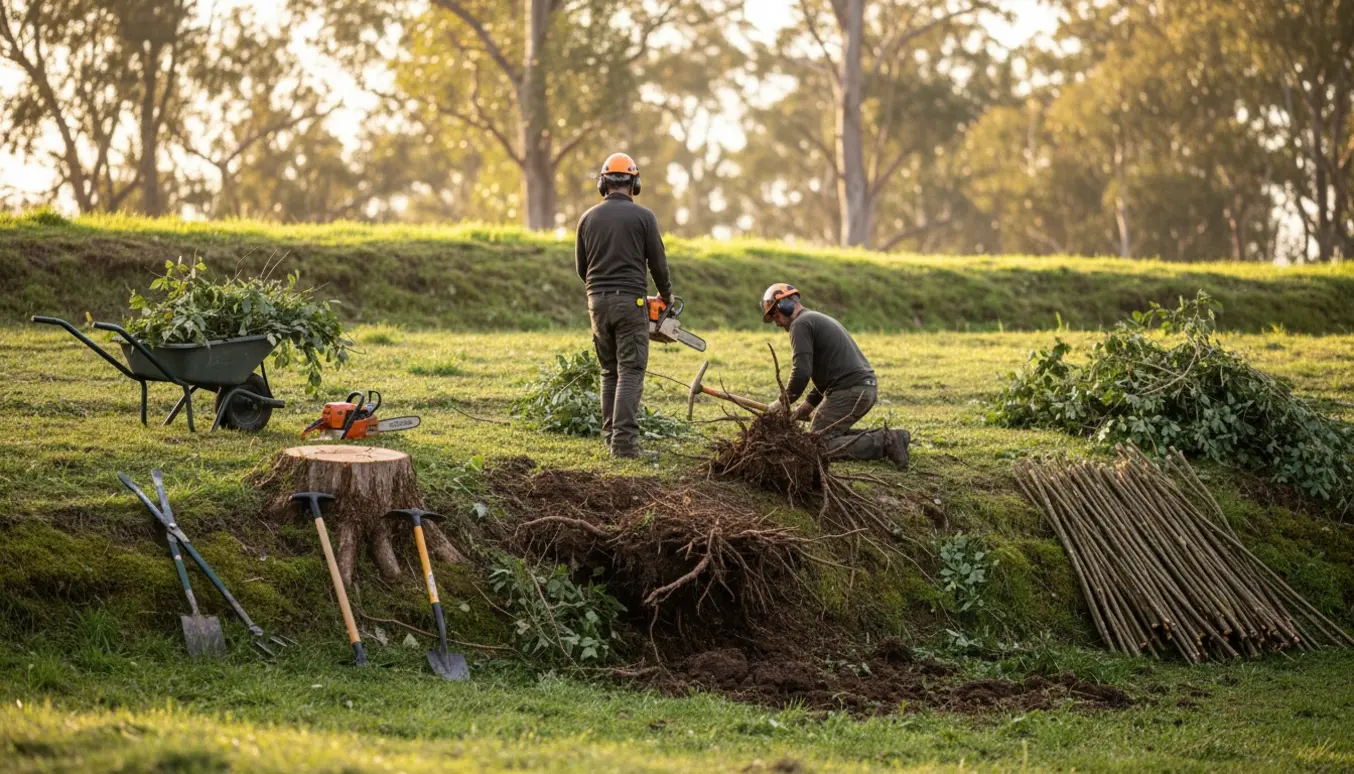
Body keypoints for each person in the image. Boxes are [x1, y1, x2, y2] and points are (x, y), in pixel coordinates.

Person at [575, 152, 672, 458]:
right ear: (634, 183)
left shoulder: (587, 218)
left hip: (596, 302)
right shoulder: (644, 217)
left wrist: (600, 291)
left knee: (609, 371)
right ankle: (625, 445)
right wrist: (666, 296)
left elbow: (581, 268)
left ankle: (610, 438)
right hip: (630, 302)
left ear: (603, 183)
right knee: (631, 370)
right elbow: (658, 264)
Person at [761, 282, 910, 469]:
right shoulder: (814, 319)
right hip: (862, 388)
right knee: (829, 435)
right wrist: (807, 406)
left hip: (850, 391)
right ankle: (895, 437)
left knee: (816, 445)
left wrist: (782, 402)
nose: (776, 323)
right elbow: (827, 374)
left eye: (775, 315)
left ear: (786, 305)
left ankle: (885, 441)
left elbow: (801, 372)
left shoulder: (800, 324)